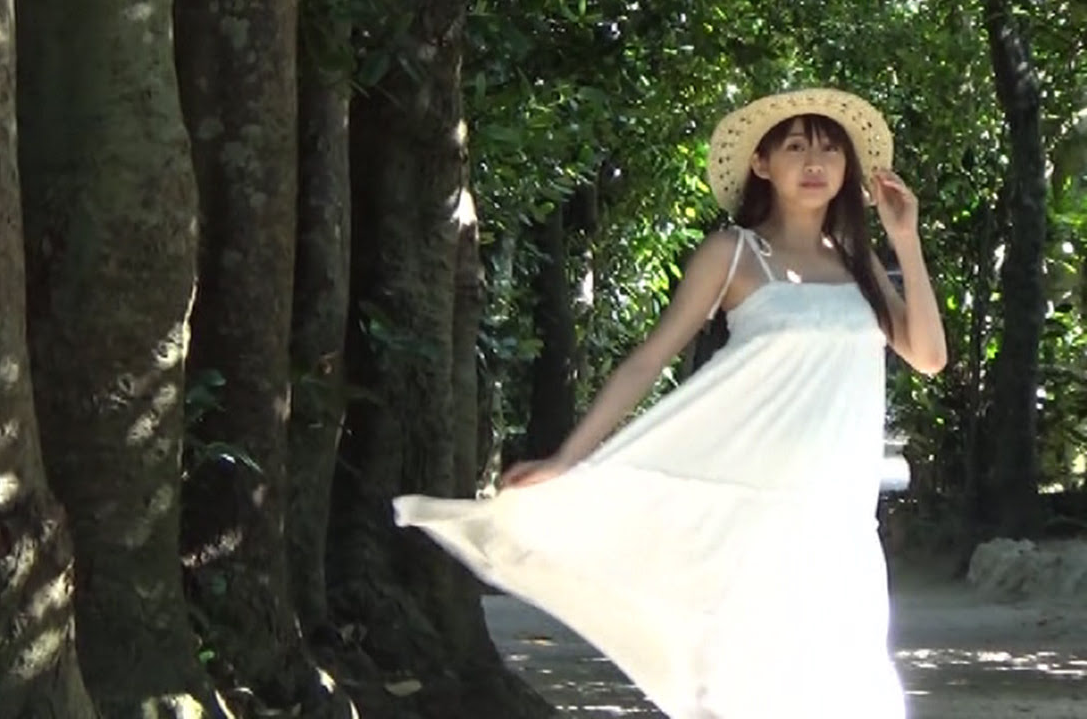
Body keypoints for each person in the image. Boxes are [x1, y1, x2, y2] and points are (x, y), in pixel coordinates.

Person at [393, 87, 947, 719]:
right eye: (795, 146)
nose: (814, 162)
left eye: (829, 149)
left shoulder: (858, 263)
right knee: (753, 681)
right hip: (754, 509)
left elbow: (929, 356)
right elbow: (649, 359)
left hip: (838, 516)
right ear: (762, 164)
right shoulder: (733, 253)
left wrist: (906, 240)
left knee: (848, 683)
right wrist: (569, 459)